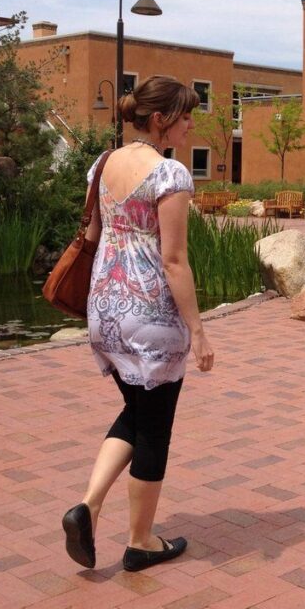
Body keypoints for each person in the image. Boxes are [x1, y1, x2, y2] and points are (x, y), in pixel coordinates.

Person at [62, 75, 214, 572]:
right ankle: (141, 541)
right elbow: (174, 260)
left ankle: (89, 504)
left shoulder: (102, 164)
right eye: (186, 116)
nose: (191, 126)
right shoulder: (169, 175)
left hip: (105, 308)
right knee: (155, 429)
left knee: (137, 412)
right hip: (149, 316)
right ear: (160, 119)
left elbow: (93, 232)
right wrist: (199, 330)